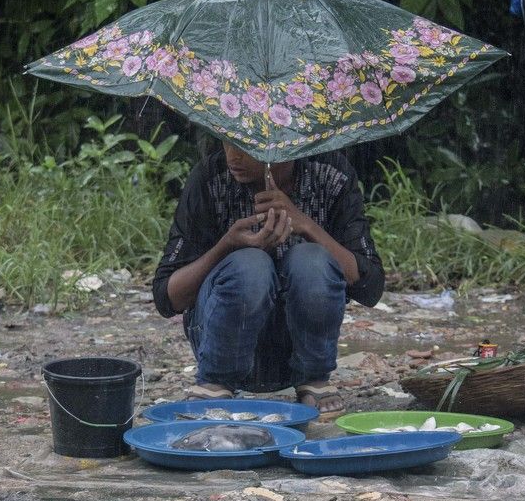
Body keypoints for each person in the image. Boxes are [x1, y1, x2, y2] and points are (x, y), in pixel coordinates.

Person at [152, 142, 385, 419]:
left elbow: (370, 287)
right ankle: (217, 381)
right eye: (228, 142)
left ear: (286, 147)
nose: (233, 156)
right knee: (250, 264)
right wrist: (227, 245)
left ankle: (314, 378)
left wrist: (306, 225)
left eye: (247, 148)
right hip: (221, 342)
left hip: (300, 349)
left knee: (312, 260)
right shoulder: (210, 178)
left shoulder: (330, 173)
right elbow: (167, 298)